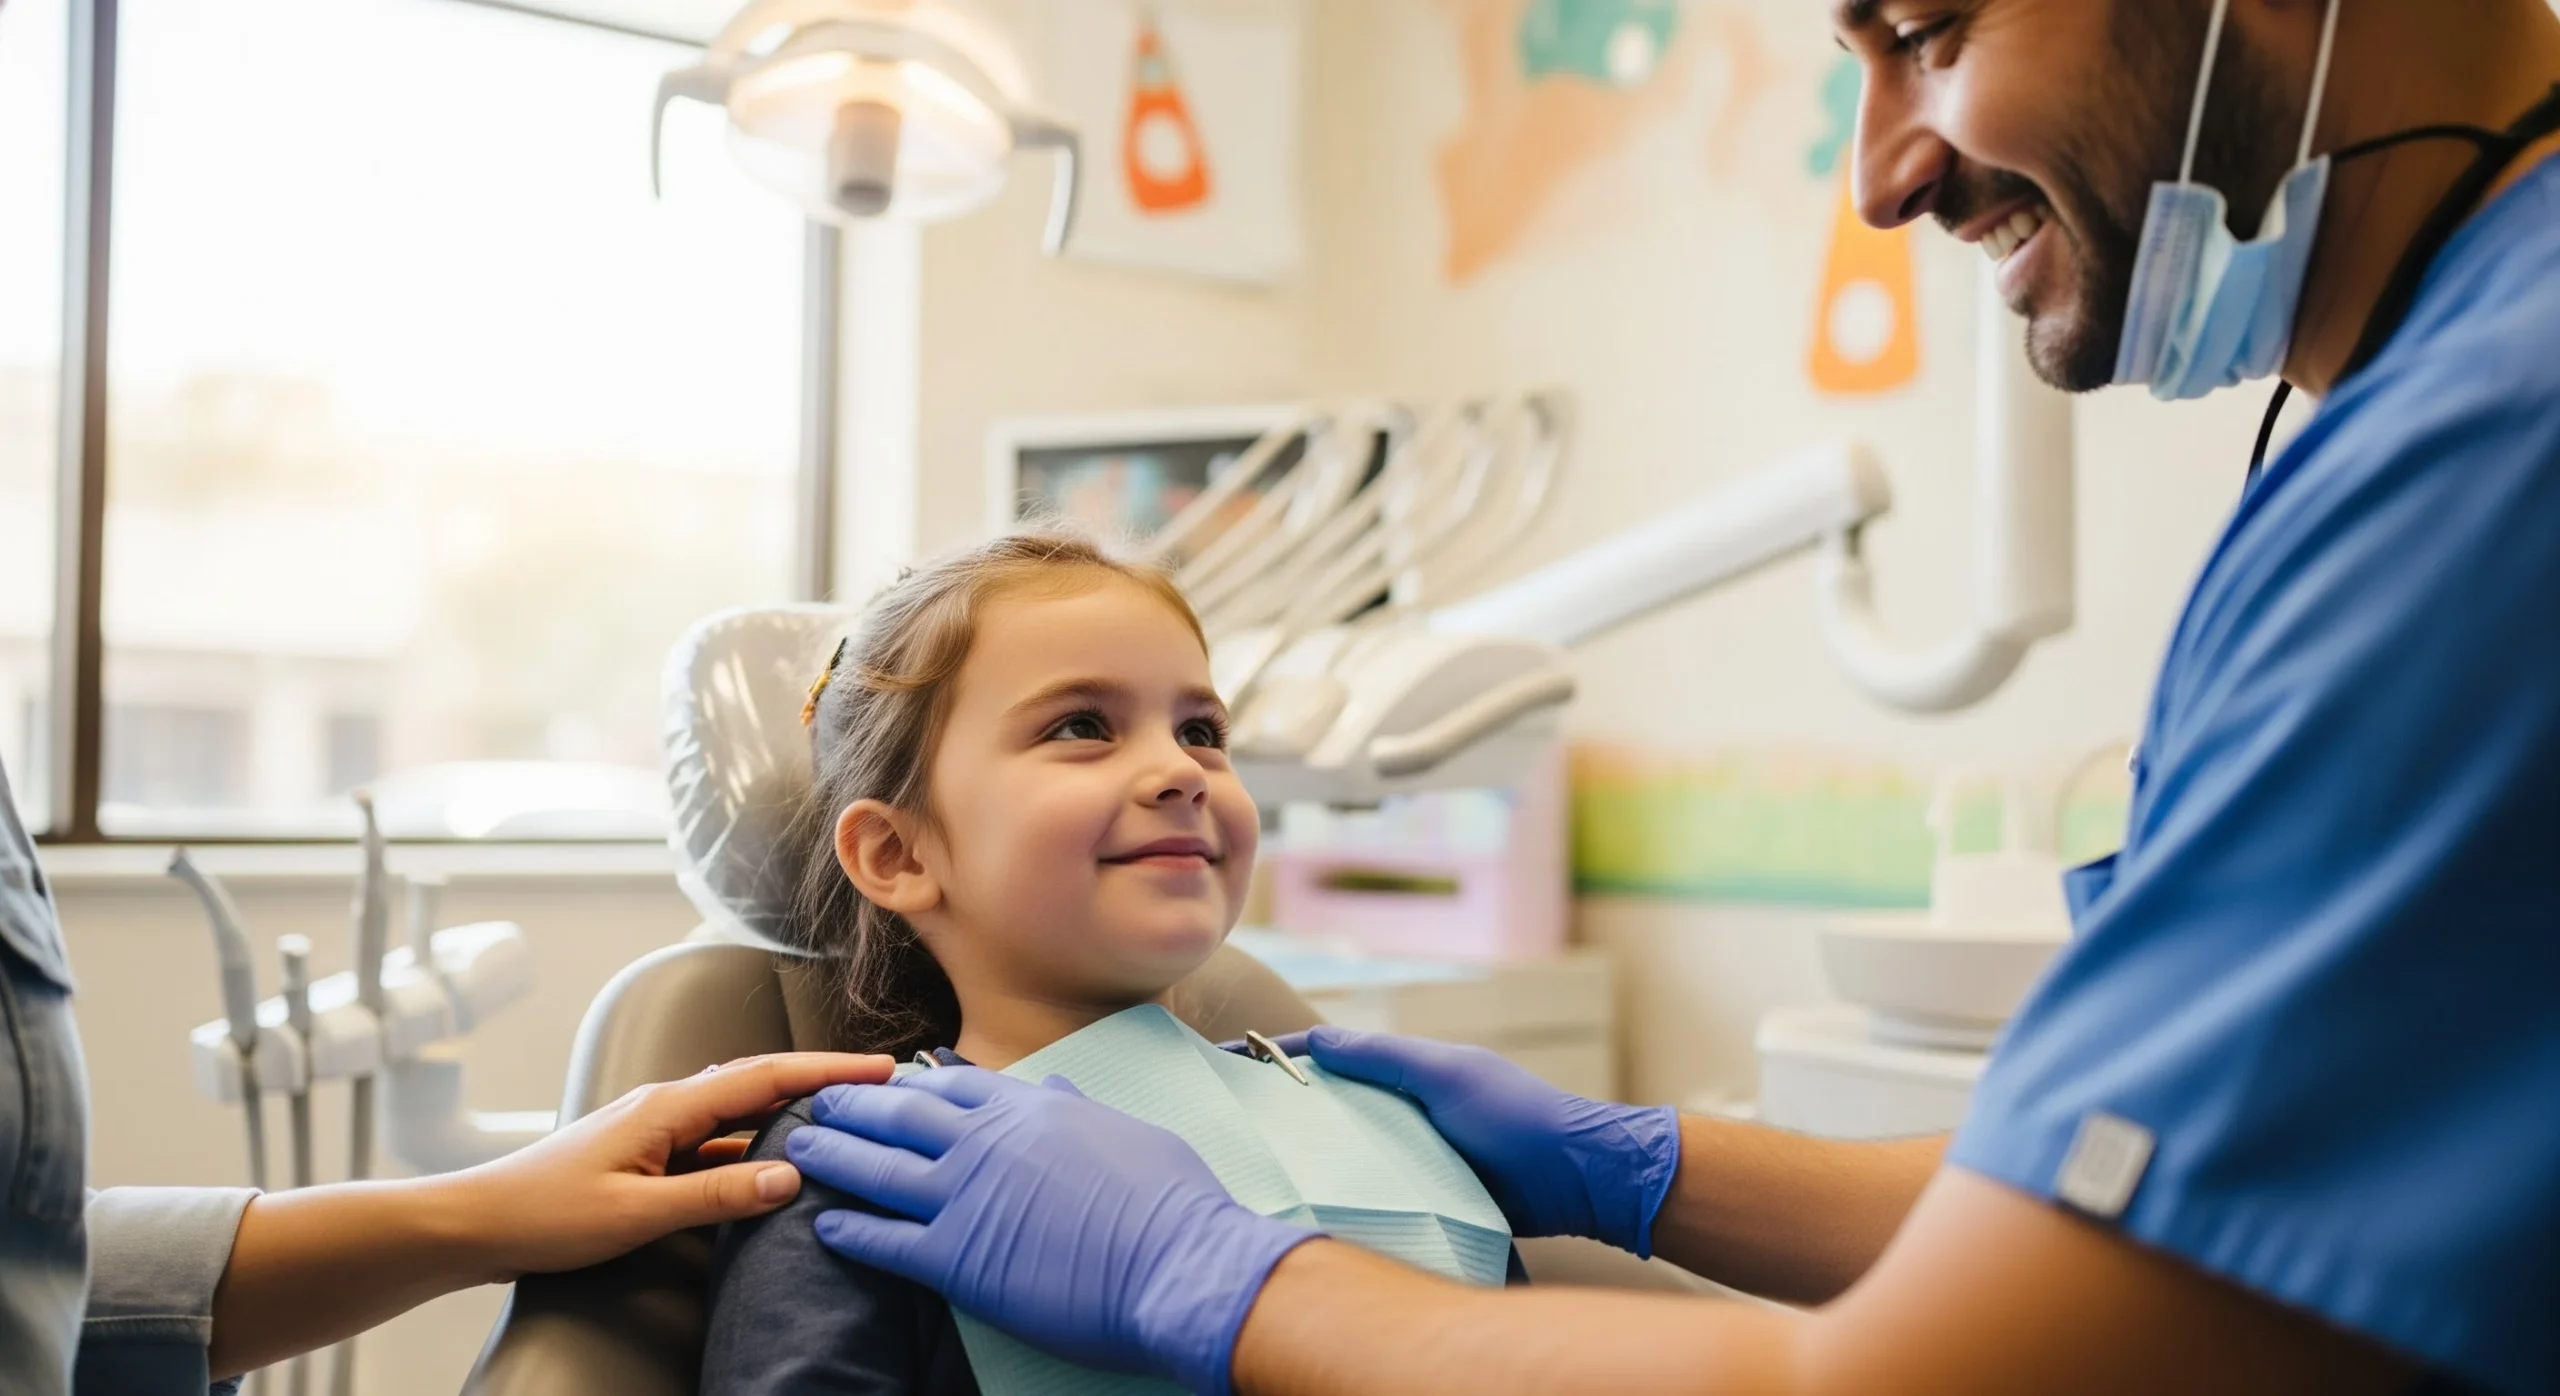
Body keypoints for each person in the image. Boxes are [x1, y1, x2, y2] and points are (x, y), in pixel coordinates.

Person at [782, 1, 2560, 1393]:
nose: (1875, 177)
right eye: (1079, 724)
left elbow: (1988, 1356)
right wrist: (1648, 1165)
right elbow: (2162, 1188)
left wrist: (1226, 1281)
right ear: (893, 850)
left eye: (1931, 32)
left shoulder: (2484, 471)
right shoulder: (855, 1182)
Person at [700, 529, 1536, 1394]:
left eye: (1203, 730)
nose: (1181, 770)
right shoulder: (862, 1161)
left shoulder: (1384, 1121)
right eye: (1082, 726)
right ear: (898, 855)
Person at [0, 745, 895, 1395]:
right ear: (894, 851)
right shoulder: (837, 1155)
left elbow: (35, 1272)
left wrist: (482, 1214)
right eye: (1044, 728)